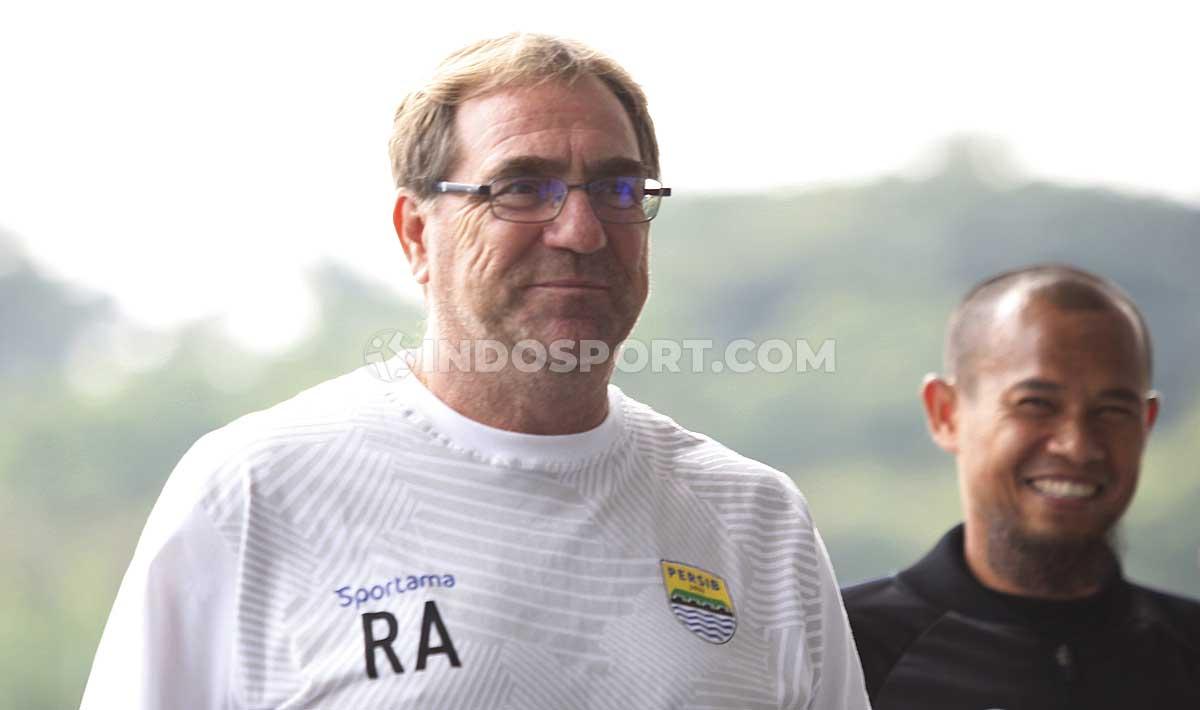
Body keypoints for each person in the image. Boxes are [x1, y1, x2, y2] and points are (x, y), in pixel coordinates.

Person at [81, 34, 869, 709]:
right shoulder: (257, 490)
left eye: (616, 188)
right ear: (417, 233)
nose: (582, 229)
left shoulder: (753, 518)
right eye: (522, 187)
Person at [842, 264, 1200, 708]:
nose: (1077, 445)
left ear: (1146, 425)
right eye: (1036, 404)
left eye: (1112, 410)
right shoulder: (837, 654)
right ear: (945, 414)